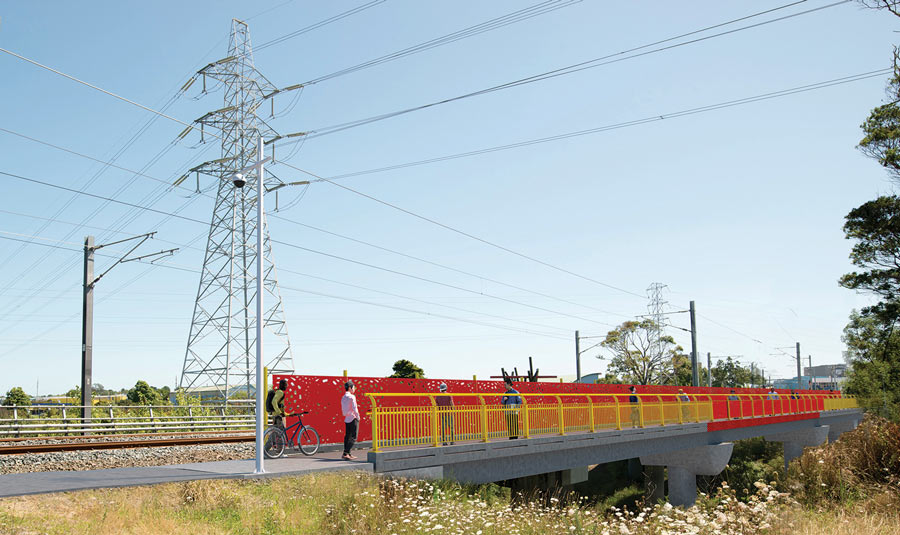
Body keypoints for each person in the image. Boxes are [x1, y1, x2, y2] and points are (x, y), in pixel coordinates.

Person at [341, 381, 360, 460]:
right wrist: (358, 416)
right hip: (353, 418)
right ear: (350, 388)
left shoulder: (343, 397)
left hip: (347, 418)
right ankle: (346, 453)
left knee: (347, 436)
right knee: (353, 437)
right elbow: (355, 408)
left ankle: (347, 453)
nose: (354, 389)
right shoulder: (352, 397)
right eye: (353, 387)